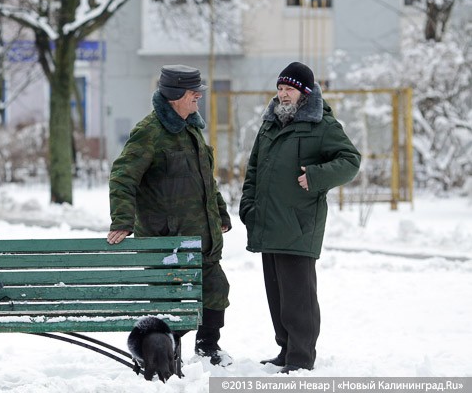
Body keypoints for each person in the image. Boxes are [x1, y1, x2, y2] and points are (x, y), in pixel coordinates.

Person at [239, 62, 361, 373]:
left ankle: (301, 357)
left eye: (289, 89)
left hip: (299, 224)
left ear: (304, 93)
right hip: (268, 222)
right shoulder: (269, 124)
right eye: (280, 89)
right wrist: (248, 206)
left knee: (299, 298)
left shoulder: (321, 125)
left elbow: (350, 160)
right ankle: (286, 349)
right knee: (277, 296)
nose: (283, 95)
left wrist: (318, 176)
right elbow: (253, 169)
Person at [107, 64, 233, 367]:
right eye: (194, 93)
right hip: (169, 240)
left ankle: (207, 347)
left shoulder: (191, 129)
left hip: (201, 235)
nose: (199, 97)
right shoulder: (149, 132)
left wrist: (220, 213)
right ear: (176, 95)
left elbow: (206, 179)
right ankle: (160, 351)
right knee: (170, 303)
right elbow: (122, 176)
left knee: (216, 290)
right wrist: (122, 220)